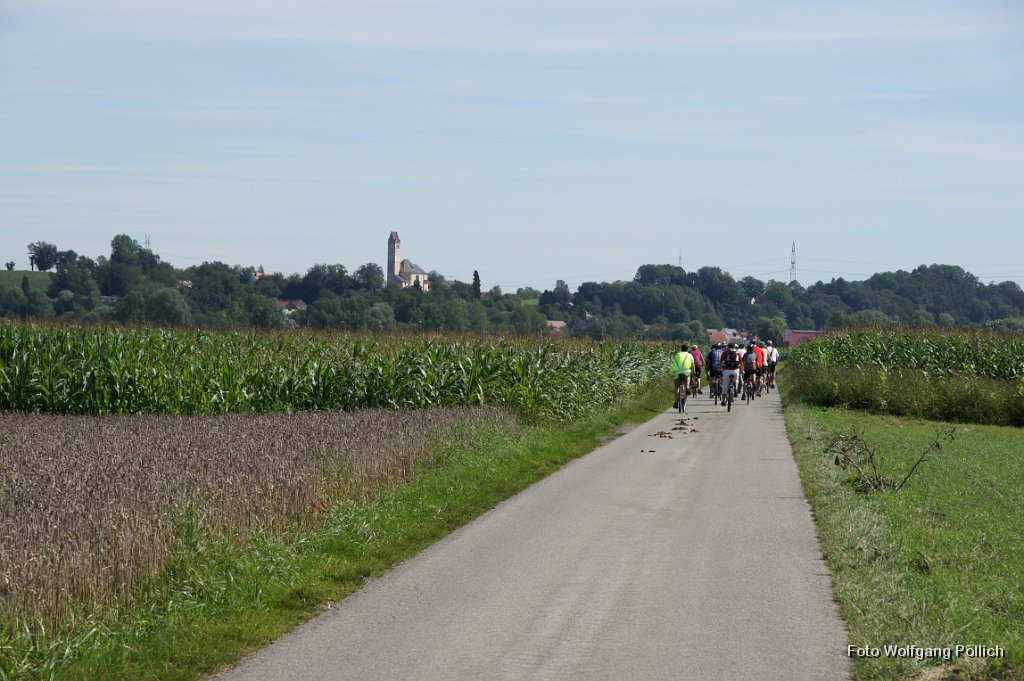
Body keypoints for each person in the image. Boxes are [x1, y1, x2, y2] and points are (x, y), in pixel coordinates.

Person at [672, 344, 695, 408]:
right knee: (688, 376)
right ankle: (687, 387)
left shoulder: (677, 355)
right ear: (687, 349)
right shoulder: (689, 355)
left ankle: (676, 401)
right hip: (686, 371)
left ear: (681, 348)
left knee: (677, 387)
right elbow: (693, 365)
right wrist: (693, 372)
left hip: (677, 371)